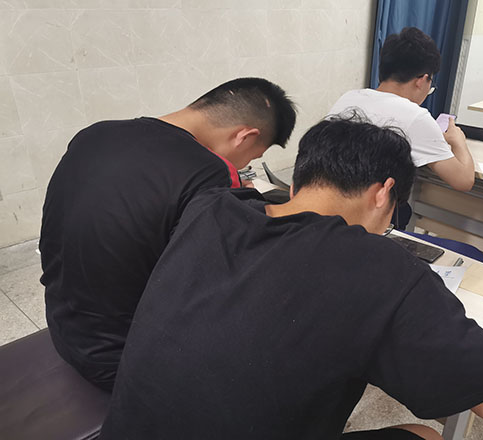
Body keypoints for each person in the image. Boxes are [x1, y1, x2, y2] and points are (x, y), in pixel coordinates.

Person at [100, 116, 483, 440]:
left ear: (297, 184)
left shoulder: (208, 208)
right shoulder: (384, 271)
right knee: (426, 436)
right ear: (384, 193)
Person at [40, 77, 297, 392]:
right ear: (245, 136)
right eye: (253, 158)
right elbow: (221, 283)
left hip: (64, 329)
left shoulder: (95, 134)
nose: (245, 165)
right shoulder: (210, 173)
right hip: (122, 362)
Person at [328, 27, 475, 192]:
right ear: (422, 80)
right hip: (369, 204)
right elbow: (464, 181)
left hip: (329, 198)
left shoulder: (349, 97)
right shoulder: (416, 117)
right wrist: (458, 141)